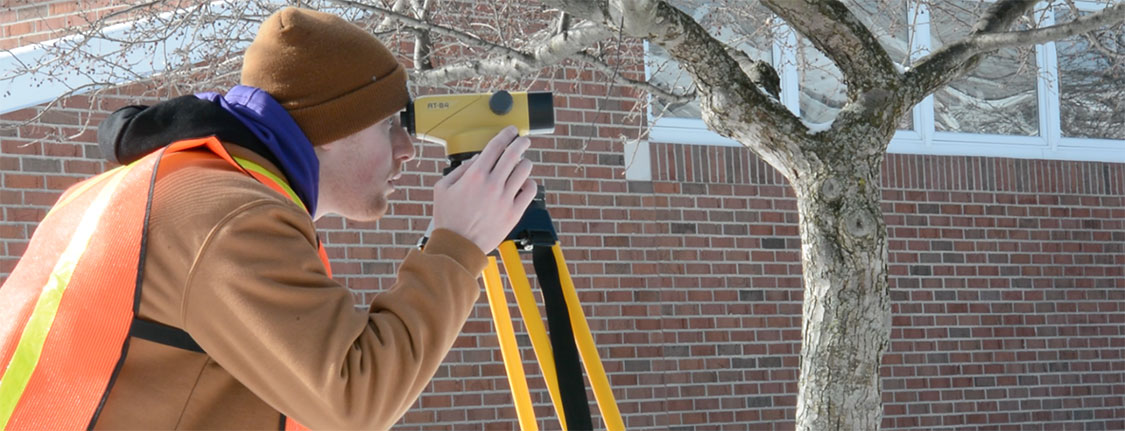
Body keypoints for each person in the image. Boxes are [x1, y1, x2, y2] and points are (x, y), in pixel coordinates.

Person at [0, 7, 537, 430]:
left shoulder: (172, 189)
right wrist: (457, 245)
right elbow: (352, 397)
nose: (407, 149)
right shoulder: (228, 217)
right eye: (388, 126)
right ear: (332, 129)